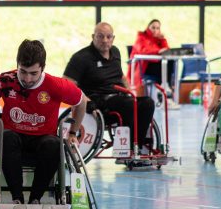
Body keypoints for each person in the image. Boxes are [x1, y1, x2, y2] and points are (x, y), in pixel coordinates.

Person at [0, 39, 86, 205]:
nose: (27, 78)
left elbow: (81, 102)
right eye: (23, 71)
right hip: (13, 138)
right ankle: (17, 198)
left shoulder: (56, 85)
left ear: (43, 68)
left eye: (33, 73)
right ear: (17, 64)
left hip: (43, 140)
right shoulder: (5, 81)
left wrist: (73, 133)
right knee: (6, 137)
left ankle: (35, 199)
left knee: (54, 144)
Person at [63, 22, 155, 156]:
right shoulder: (81, 58)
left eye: (108, 37)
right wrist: (86, 101)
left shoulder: (115, 52)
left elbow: (121, 76)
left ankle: (137, 146)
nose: (105, 40)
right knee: (129, 105)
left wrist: (130, 92)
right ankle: (127, 148)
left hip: (120, 98)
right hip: (98, 103)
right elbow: (68, 83)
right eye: (100, 36)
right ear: (93, 37)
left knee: (147, 103)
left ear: (113, 38)